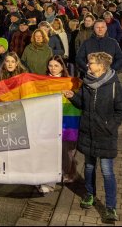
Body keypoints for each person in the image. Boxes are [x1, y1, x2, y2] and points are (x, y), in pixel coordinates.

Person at [63, 52, 122, 222]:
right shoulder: (87, 82)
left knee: (107, 171)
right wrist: (73, 97)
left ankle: (110, 207)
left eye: (91, 63)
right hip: (87, 132)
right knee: (89, 167)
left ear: (101, 66)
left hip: (105, 135)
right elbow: (83, 104)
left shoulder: (114, 85)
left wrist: (110, 125)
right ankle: (89, 194)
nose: (88, 65)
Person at [47, 55, 79, 184]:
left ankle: (70, 172)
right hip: (48, 120)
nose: (53, 68)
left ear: (62, 67)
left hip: (66, 121)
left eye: (56, 66)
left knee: (66, 150)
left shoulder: (70, 82)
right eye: (50, 66)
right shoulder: (41, 82)